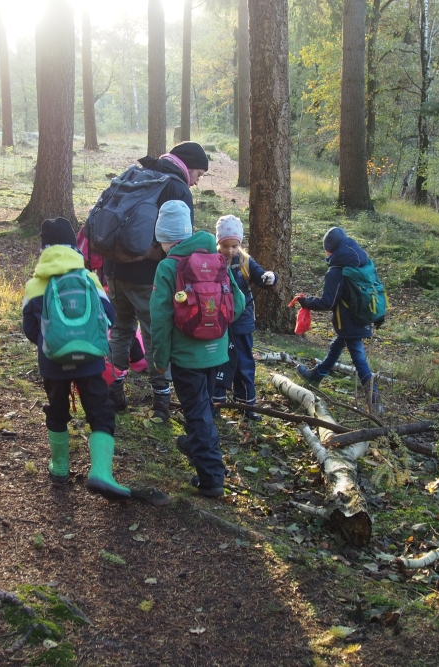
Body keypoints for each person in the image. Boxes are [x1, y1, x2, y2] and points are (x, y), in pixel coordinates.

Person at [22, 218, 131, 501]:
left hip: (52, 365)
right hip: (91, 362)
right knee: (100, 412)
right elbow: (111, 317)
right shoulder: (89, 278)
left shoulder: (35, 284)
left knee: (57, 411)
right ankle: (101, 473)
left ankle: (59, 468)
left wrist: (51, 345)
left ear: (44, 248)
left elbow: (30, 329)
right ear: (74, 246)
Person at [104, 141, 210, 420]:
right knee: (154, 334)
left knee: (121, 329)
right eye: (200, 173)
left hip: (114, 268)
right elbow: (181, 242)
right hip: (147, 275)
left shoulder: (142, 173)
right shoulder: (177, 188)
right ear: (189, 165)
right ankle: (161, 401)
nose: (197, 182)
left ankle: (114, 391)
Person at [150, 201, 244, 498]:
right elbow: (239, 305)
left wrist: (159, 358)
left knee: (197, 412)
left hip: (186, 357)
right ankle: (196, 445)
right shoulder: (216, 258)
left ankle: (211, 477)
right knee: (203, 406)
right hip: (217, 353)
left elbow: (160, 318)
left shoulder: (168, 266)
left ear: (165, 238)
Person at [296, 227, 380, 410]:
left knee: (359, 359)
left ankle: (375, 400)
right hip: (363, 317)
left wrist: (305, 302)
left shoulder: (337, 270)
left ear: (329, 249)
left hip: (350, 322)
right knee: (336, 346)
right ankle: (316, 375)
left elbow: (328, 302)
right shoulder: (362, 263)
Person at [211, 215, 276, 421]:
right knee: (218, 362)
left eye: (234, 245)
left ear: (240, 243)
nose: (229, 250)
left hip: (242, 320)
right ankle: (216, 400)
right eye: (225, 245)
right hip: (218, 321)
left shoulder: (245, 261)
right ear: (218, 242)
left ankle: (247, 403)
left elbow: (261, 276)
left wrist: (270, 277)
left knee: (244, 361)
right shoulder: (211, 259)